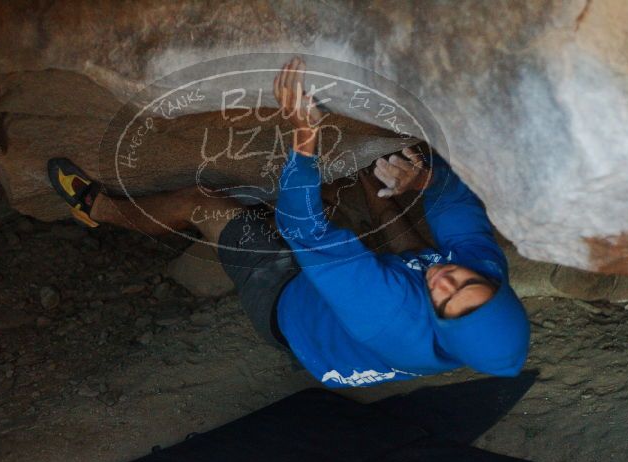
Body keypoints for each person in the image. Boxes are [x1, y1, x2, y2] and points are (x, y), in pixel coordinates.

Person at [47, 57, 530, 388]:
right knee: (392, 188)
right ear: (493, 284)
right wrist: (422, 182)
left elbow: (305, 232)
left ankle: (95, 209)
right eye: (465, 282)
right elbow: (460, 213)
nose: (446, 279)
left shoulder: (390, 311)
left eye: (444, 299)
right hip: (371, 304)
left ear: (437, 319)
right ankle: (382, 196)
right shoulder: (482, 274)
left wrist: (303, 138)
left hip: (290, 309)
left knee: (207, 205)